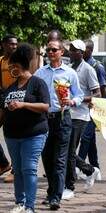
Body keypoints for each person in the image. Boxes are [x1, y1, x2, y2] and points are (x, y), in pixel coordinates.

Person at [35, 39, 84, 210]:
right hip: (44, 119)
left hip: (63, 118)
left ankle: (56, 196)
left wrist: (71, 101)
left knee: (60, 159)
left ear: (62, 52)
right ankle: (51, 192)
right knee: (47, 158)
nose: (50, 52)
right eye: (48, 49)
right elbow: (33, 93)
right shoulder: (40, 73)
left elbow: (79, 95)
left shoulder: (70, 73)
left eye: (54, 50)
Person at [2, 43, 50, 213]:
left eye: (12, 67)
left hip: (34, 133)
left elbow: (45, 106)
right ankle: (20, 202)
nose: (10, 70)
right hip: (12, 135)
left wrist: (23, 104)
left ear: (19, 66)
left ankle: (30, 206)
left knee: (29, 168)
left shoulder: (37, 83)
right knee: (18, 170)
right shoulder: (10, 88)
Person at [63, 40, 101, 200]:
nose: (70, 52)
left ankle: (69, 186)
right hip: (67, 113)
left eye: (73, 50)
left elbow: (98, 94)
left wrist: (77, 99)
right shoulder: (69, 68)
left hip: (81, 115)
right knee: (65, 150)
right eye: (69, 50)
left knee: (69, 151)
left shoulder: (88, 69)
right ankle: (89, 170)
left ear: (81, 52)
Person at [77, 39, 106, 171]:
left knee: (85, 137)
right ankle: (95, 166)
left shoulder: (97, 66)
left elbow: (103, 88)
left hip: (93, 108)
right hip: (82, 108)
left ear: (89, 51)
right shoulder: (78, 65)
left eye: (82, 50)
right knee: (90, 140)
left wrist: (99, 106)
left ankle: (77, 167)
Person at [0, 34, 18, 183]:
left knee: (13, 135)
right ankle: (3, 163)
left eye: (15, 44)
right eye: (11, 44)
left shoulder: (19, 61)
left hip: (16, 100)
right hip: (3, 99)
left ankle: (15, 170)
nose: (14, 46)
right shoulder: (1, 61)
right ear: (3, 45)